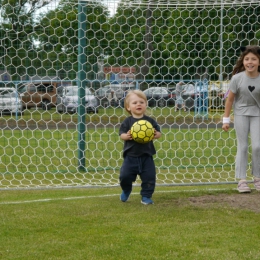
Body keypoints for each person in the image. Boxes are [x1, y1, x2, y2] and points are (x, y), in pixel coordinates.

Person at [222, 45, 260, 193]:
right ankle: (242, 180)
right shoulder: (237, 78)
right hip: (241, 114)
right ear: (243, 61)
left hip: (257, 114)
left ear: (259, 62)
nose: (250, 62)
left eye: (254, 59)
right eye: (247, 59)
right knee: (243, 146)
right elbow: (230, 100)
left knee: (257, 146)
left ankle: (257, 177)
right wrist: (226, 120)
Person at [119, 90, 161, 204]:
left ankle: (146, 196)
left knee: (149, 177)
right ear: (128, 107)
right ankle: (126, 189)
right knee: (125, 176)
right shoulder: (127, 122)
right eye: (135, 102)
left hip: (146, 156)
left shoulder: (150, 121)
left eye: (141, 102)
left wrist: (156, 134)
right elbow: (121, 134)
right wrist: (126, 136)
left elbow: (158, 133)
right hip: (130, 156)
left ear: (146, 104)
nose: (138, 104)